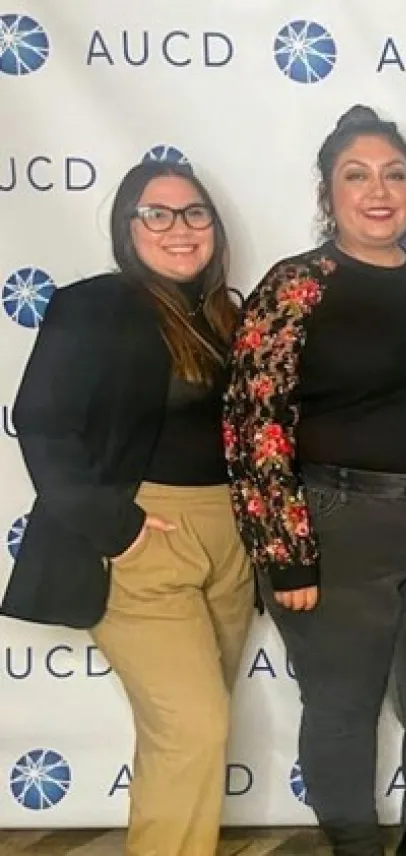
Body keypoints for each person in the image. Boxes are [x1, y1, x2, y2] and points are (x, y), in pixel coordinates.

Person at [223, 105, 406, 856]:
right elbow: (256, 424)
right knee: (343, 709)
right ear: (327, 193)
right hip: (340, 524)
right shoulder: (295, 286)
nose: (378, 191)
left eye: (394, 175)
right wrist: (285, 550)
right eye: (357, 175)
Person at [1, 160, 252, 855]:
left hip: (232, 542)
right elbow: (43, 423)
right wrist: (122, 529)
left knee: (185, 740)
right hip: (146, 536)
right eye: (158, 214)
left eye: (194, 213)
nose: (180, 228)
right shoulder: (94, 306)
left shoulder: (231, 317)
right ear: (127, 227)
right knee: (195, 727)